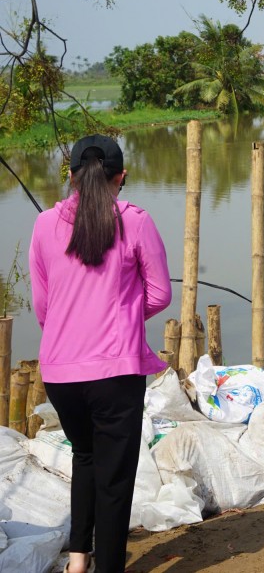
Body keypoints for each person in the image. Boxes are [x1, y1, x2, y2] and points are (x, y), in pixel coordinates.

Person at [29, 134, 172, 573]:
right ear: (121, 177)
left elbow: (43, 306)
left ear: (70, 177)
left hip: (59, 374)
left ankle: (78, 561)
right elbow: (161, 294)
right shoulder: (136, 221)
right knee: (115, 478)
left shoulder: (43, 224)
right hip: (114, 371)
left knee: (85, 457)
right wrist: (123, 312)